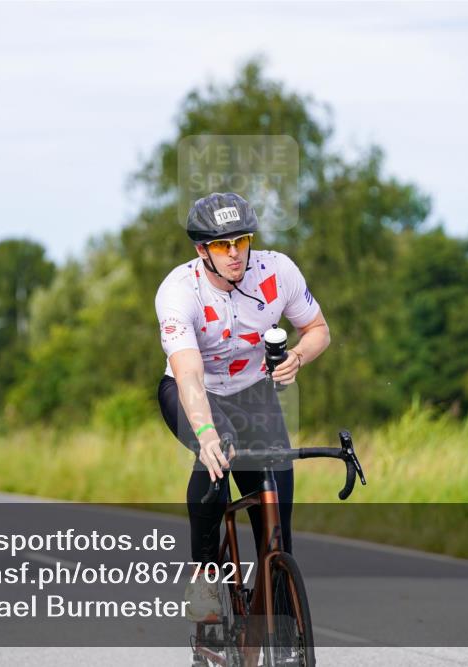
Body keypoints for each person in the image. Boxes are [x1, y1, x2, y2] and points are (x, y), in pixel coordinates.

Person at [154, 192, 331, 623]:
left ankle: (276, 603)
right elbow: (189, 373)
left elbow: (318, 329)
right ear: (202, 250)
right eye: (221, 245)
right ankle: (204, 584)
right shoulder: (179, 292)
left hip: (254, 393)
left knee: (276, 511)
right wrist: (206, 432)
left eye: (241, 240)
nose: (235, 253)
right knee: (216, 459)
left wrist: (299, 356)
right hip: (194, 391)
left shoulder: (277, 271)